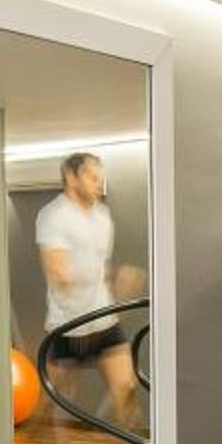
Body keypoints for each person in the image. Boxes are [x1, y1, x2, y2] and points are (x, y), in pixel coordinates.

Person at [36, 151, 137, 424]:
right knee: (53, 402)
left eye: (99, 178)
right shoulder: (53, 215)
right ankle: (37, 442)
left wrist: (117, 280)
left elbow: (100, 270)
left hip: (103, 320)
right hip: (69, 325)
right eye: (92, 177)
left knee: (126, 387)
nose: (98, 183)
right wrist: (106, 275)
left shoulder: (103, 216)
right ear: (71, 177)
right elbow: (57, 271)